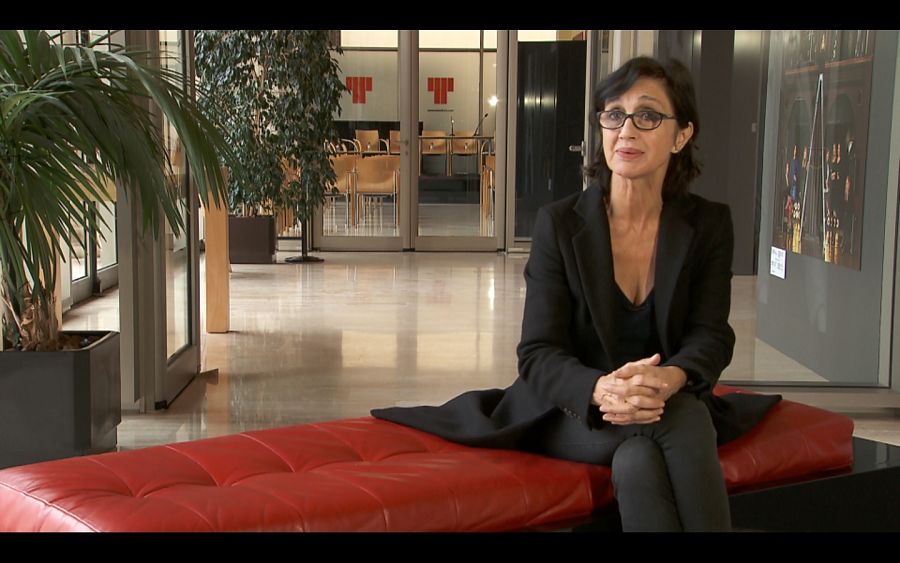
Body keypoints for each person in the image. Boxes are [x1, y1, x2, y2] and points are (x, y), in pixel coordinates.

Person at [372, 56, 780, 532]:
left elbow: (711, 336)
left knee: (639, 460)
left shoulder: (707, 224)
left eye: (648, 116)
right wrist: (602, 389)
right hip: (572, 412)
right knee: (681, 420)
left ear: (681, 135)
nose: (626, 130)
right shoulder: (561, 224)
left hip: (666, 400)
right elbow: (538, 352)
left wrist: (669, 379)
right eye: (614, 114)